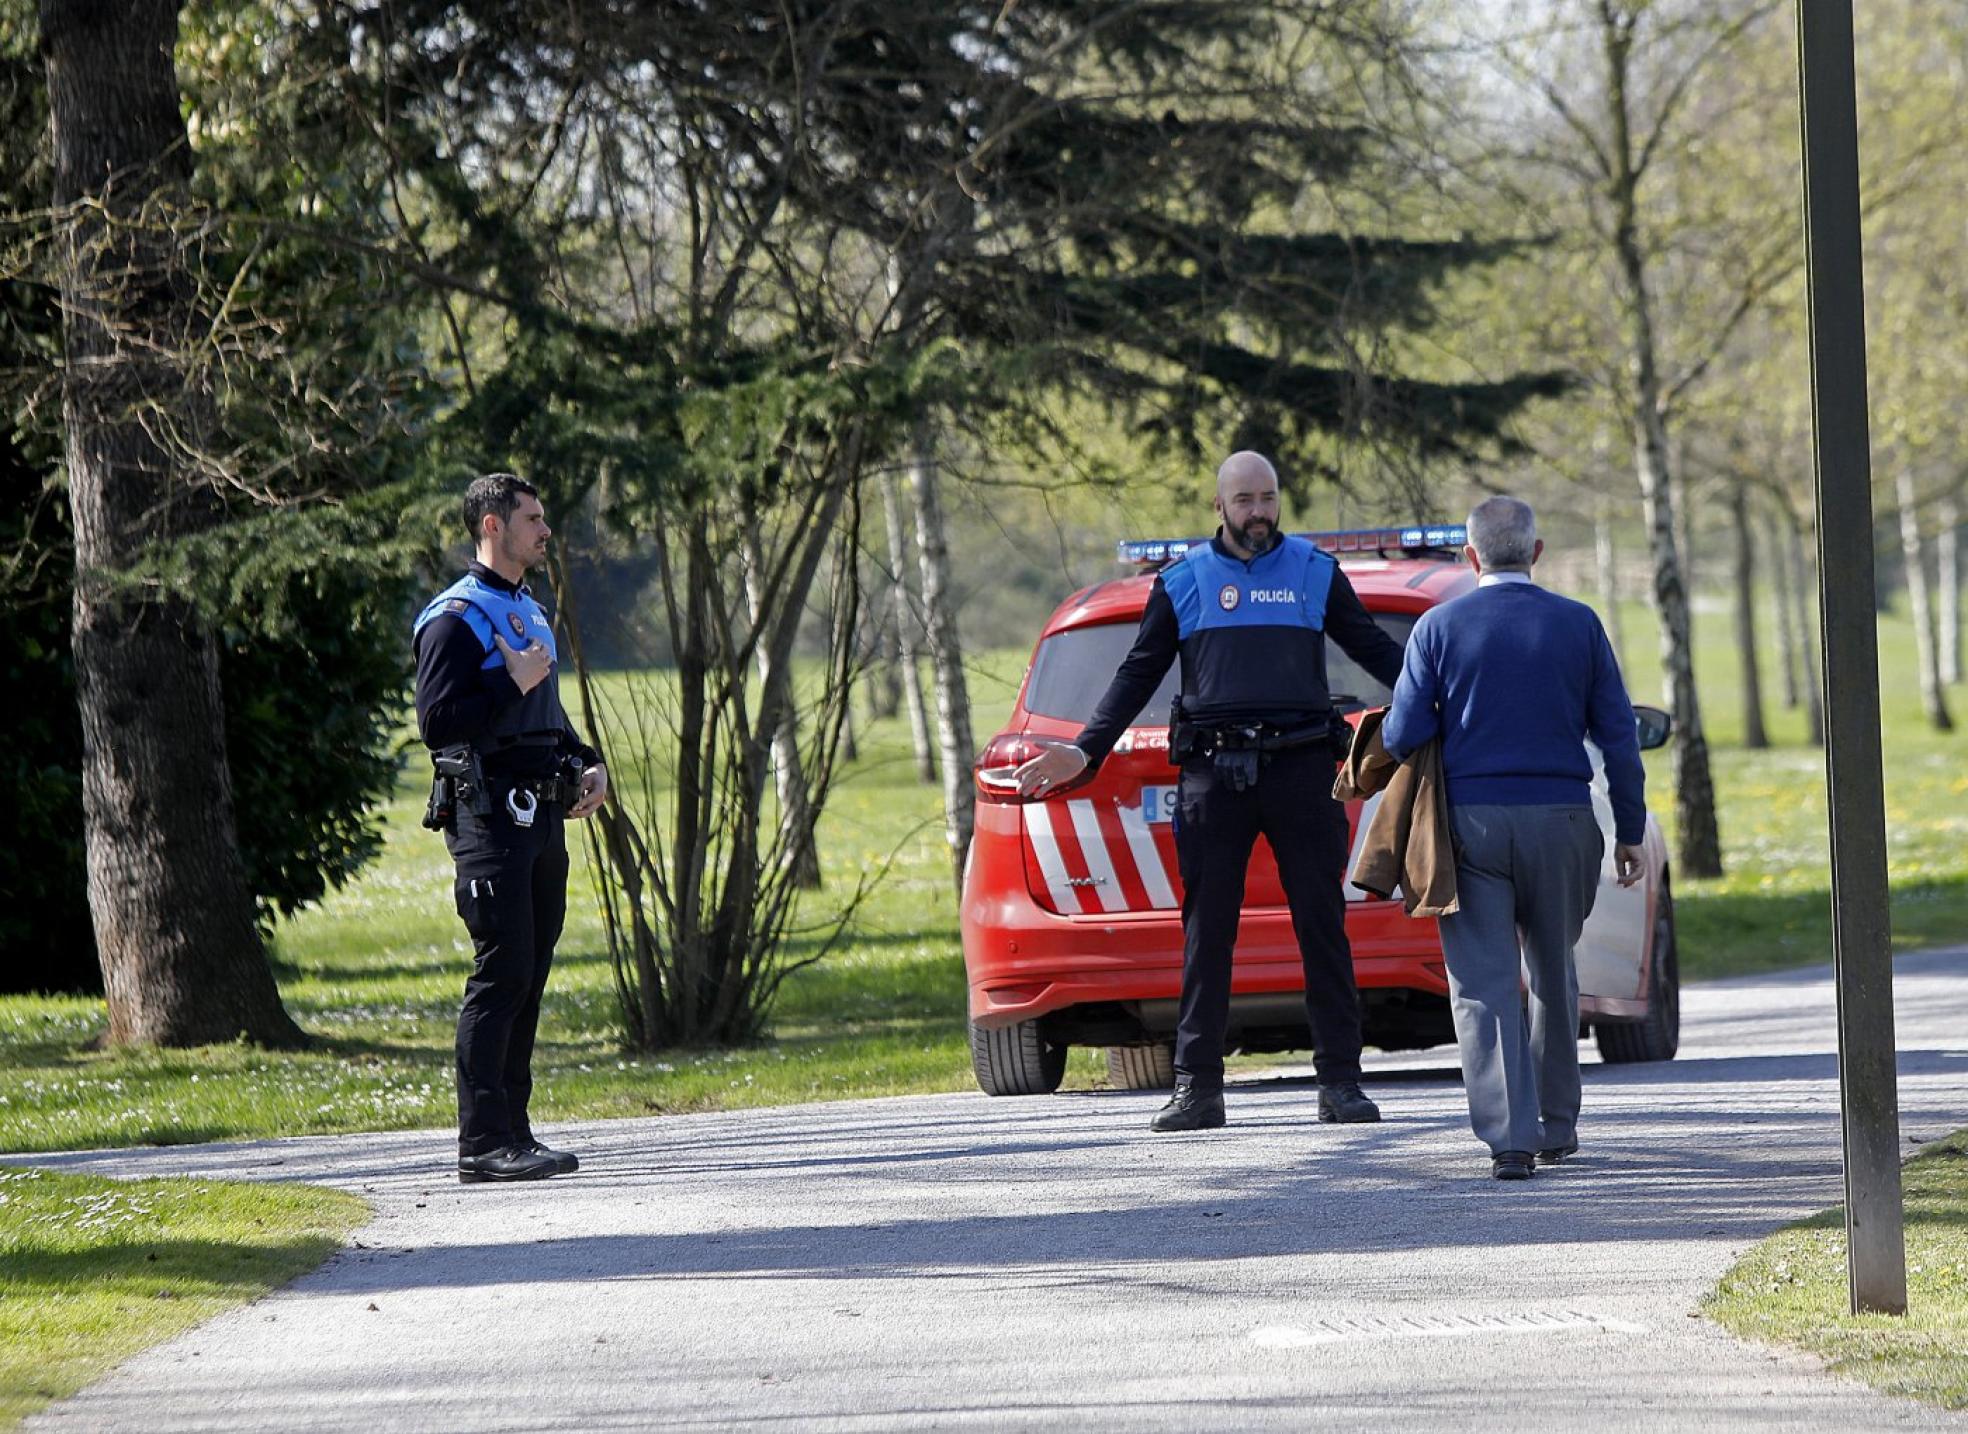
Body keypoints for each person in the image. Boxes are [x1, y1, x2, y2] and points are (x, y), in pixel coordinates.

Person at [1014, 451, 1405, 1131]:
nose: (1258, 511)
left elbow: (1377, 652)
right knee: (1206, 932)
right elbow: (1138, 674)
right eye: (1244, 500)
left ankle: (1341, 1083)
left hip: (1303, 769)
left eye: (1268, 498)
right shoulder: (1185, 582)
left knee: (1322, 928)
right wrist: (1084, 748)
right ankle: (1198, 1088)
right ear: (1218, 508)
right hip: (1213, 778)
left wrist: (1446, 697)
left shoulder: (1315, 573)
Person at [1379, 496, 1645, 1181]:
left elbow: (1403, 734)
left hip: (1470, 825)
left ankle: (1511, 1139)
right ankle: (1559, 1125)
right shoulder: (1579, 625)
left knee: (1484, 982)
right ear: (1536, 551)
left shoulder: (1438, 628)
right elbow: (1618, 735)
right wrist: (1632, 829)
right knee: (1555, 968)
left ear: (1470, 557)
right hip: (1562, 819)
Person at [413, 473, 608, 1184]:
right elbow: (437, 722)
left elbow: (544, 715)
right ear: (492, 526)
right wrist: (510, 682)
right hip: (488, 816)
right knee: (501, 972)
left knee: (529, 974)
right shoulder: (455, 617)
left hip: (541, 814)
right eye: (532, 518)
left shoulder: (524, 609)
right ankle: (481, 1142)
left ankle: (515, 1134)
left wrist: (587, 762)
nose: (545, 530)